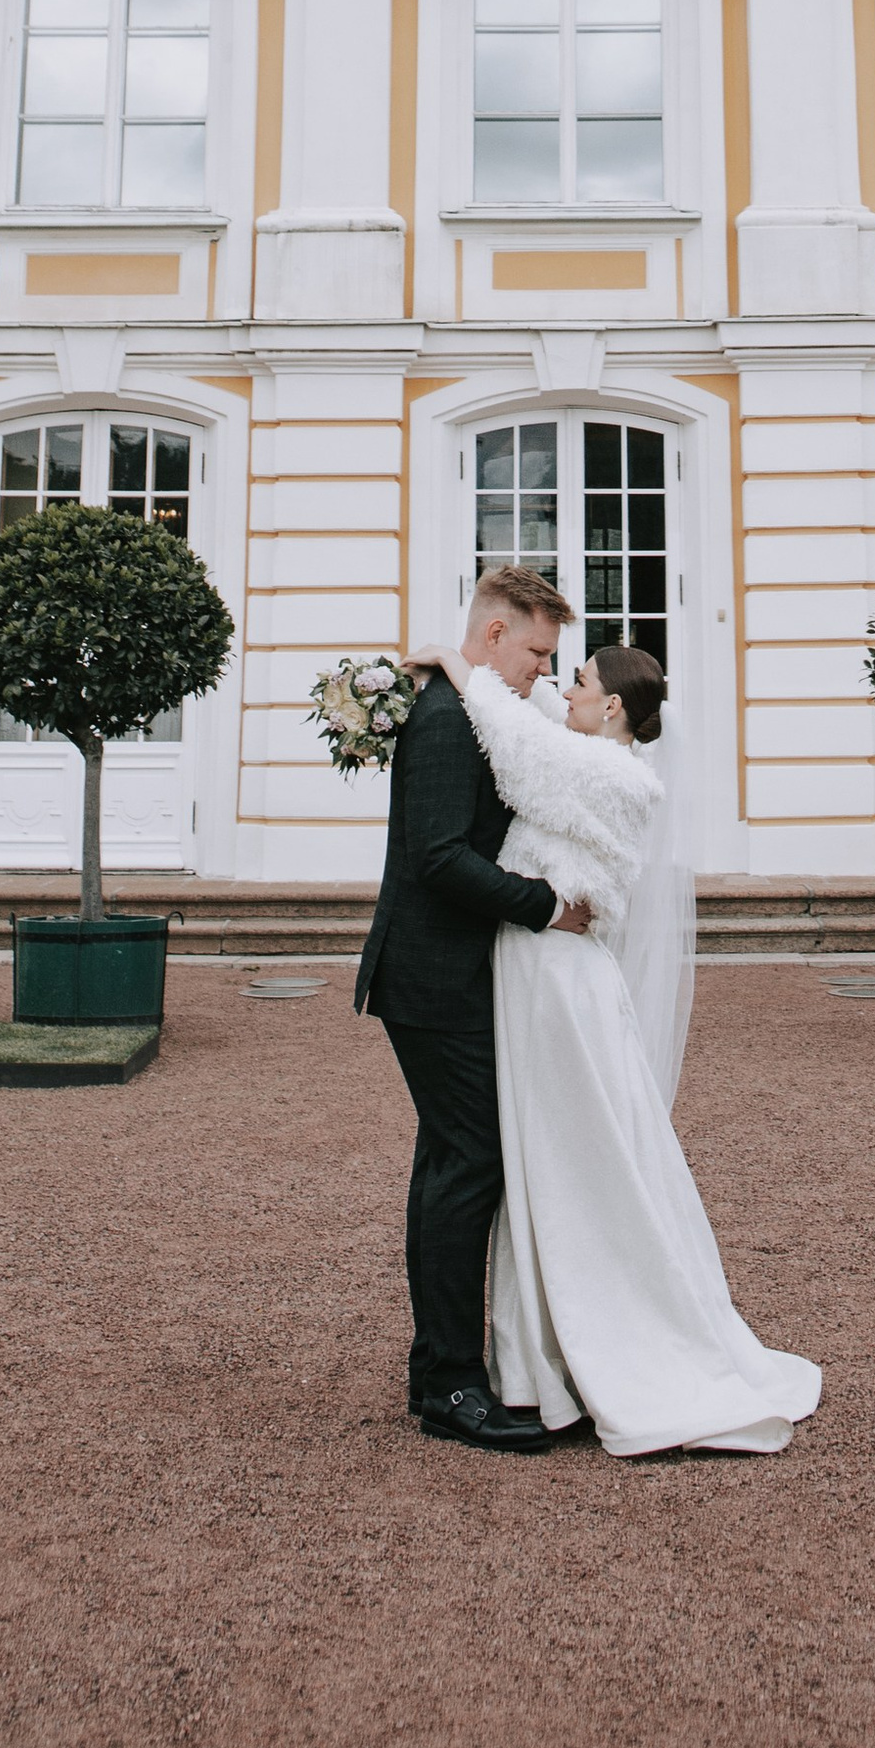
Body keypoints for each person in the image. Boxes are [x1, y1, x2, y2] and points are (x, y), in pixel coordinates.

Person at [437, 637, 824, 1459]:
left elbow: (517, 742)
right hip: (539, 972)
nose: (562, 687)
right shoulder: (594, 750)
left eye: (577, 680)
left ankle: (593, 1348)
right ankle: (541, 1356)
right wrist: (503, 666)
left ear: (612, 705)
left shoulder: (613, 776)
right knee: (543, 1158)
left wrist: (452, 660)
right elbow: (538, 713)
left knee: (567, 1158)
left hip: (556, 989)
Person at [353, 560, 592, 1452]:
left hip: (448, 975)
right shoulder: (449, 722)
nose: (542, 669)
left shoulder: (469, 705)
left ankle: (440, 1374)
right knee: (473, 1162)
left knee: (451, 1164)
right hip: (433, 978)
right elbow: (440, 859)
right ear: (493, 634)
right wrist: (546, 908)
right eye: (536, 650)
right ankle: (452, 1384)